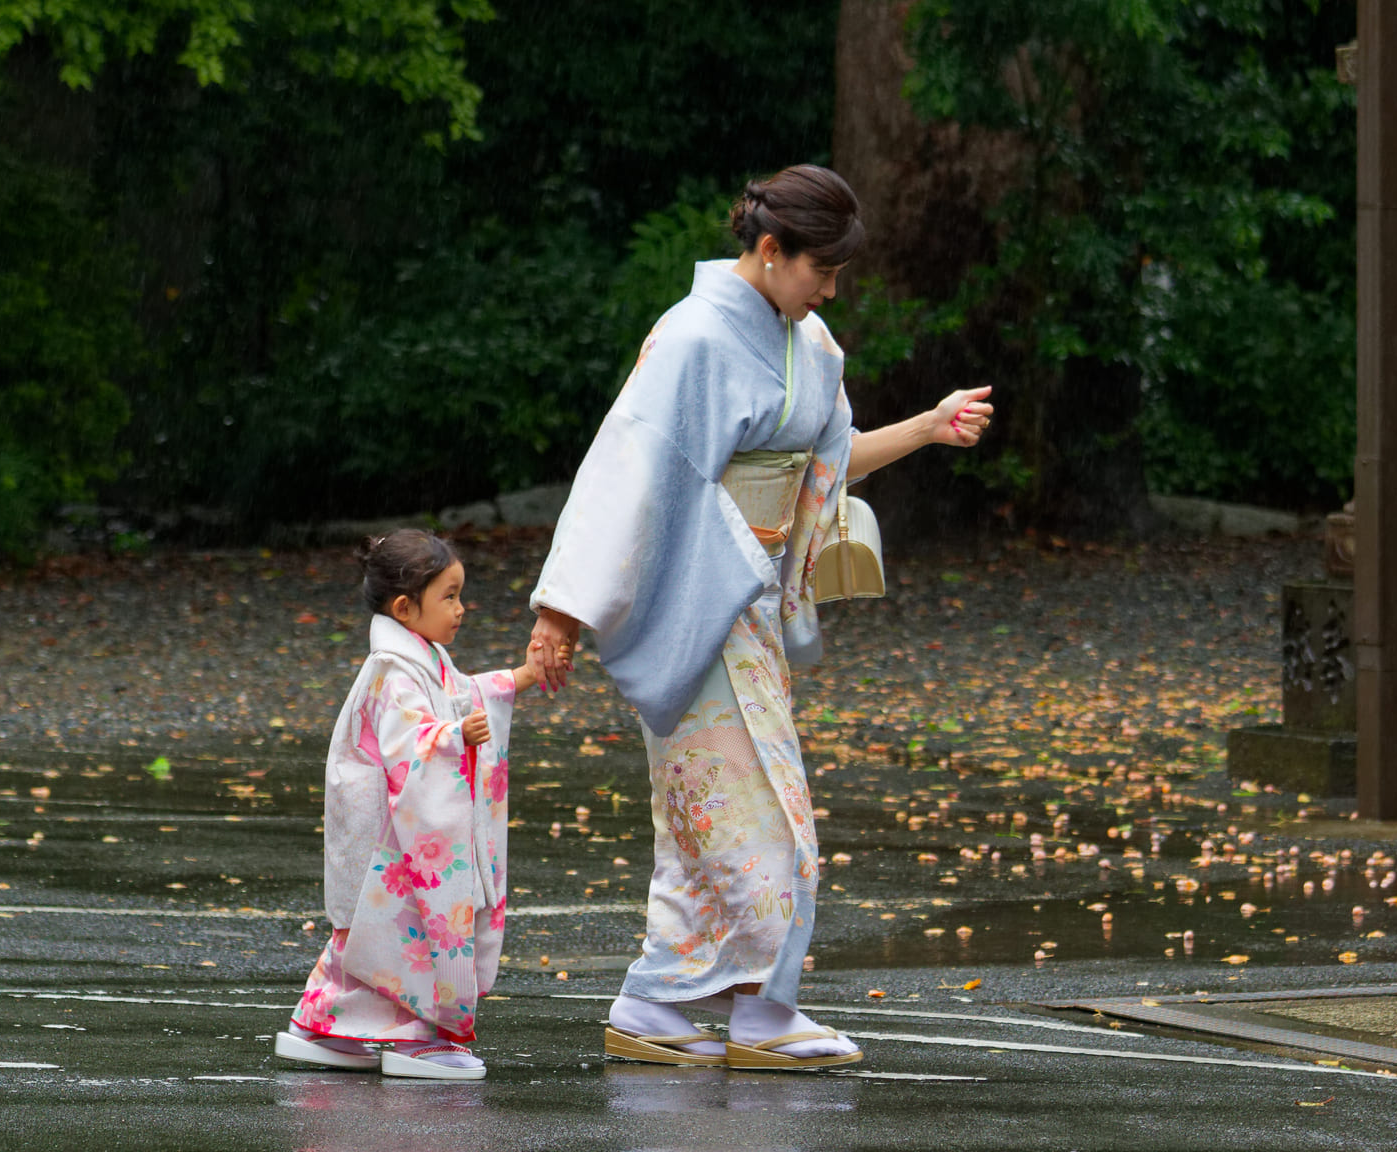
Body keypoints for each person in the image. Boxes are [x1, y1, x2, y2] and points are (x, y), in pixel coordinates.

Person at [526, 164, 992, 1070]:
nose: (829, 287)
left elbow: (829, 460)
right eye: (821, 267)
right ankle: (758, 1009)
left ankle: (658, 1001)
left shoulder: (811, 346)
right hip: (694, 591)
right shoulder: (693, 337)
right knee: (757, 811)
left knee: (707, 811)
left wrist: (929, 428)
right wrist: (562, 614)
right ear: (770, 250)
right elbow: (624, 472)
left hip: (750, 604)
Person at [276, 529, 541, 1080]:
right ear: (405, 606)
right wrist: (452, 738)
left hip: (397, 826)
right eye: (449, 595)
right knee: (402, 929)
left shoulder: (421, 658)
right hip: (392, 830)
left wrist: (519, 678)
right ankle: (414, 1036)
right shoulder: (393, 669)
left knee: (377, 931)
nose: (461, 608)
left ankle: (321, 1024)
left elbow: (462, 696)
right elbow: (413, 741)